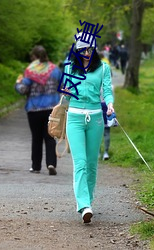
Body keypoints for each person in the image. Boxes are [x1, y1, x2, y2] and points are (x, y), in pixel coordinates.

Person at [62, 33, 114, 223]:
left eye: (89, 49)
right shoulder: (69, 67)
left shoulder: (103, 68)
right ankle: (84, 205)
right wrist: (66, 92)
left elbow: (107, 91)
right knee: (81, 162)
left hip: (95, 119)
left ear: (94, 49)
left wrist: (110, 104)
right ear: (76, 50)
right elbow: (66, 96)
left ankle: (88, 201)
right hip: (74, 118)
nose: (86, 52)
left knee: (92, 164)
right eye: (82, 49)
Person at [15, 45, 62, 175]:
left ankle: (36, 167)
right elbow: (62, 86)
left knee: (36, 138)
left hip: (34, 109)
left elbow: (23, 90)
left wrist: (18, 83)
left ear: (34, 57)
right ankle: (51, 163)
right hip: (52, 109)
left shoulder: (30, 71)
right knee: (50, 136)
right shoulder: (55, 70)